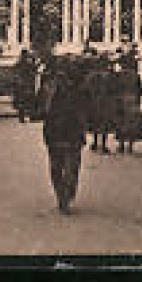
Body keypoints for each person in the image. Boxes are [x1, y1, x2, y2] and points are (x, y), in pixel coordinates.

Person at [41, 58, 88, 214]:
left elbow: (40, 109)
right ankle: (66, 195)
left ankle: (62, 196)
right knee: (70, 167)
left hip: (55, 133)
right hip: (70, 133)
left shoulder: (49, 88)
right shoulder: (79, 89)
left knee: (57, 167)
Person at [114, 53, 142, 154]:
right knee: (133, 123)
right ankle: (130, 146)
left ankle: (121, 145)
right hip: (133, 100)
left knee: (121, 122)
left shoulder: (118, 75)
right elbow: (140, 90)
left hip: (120, 100)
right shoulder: (135, 75)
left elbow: (114, 88)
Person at [83, 53, 112, 153]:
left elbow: (86, 89)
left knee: (95, 122)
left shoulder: (91, 76)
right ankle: (103, 145)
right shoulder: (109, 76)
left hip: (94, 101)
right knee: (104, 123)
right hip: (105, 102)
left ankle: (95, 143)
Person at [11, 50, 37, 122]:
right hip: (25, 86)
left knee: (24, 102)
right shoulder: (27, 64)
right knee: (28, 101)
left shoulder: (20, 64)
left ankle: (23, 117)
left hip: (23, 86)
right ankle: (29, 117)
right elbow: (33, 71)